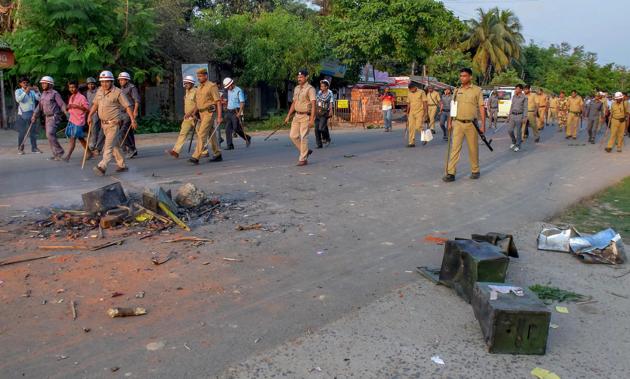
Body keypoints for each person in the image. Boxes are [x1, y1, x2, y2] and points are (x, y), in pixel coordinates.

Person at [88, 71, 137, 176]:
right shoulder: (100, 91)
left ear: (111, 82)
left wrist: (132, 119)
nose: (104, 84)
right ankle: (122, 165)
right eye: (102, 82)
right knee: (114, 145)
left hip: (113, 124)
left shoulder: (118, 92)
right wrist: (89, 115)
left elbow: (127, 106)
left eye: (107, 82)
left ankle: (102, 166)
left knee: (108, 146)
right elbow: (95, 104)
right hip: (103, 124)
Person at [443, 68, 485, 182]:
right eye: (461, 76)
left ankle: (475, 170)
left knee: (473, 149)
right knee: (454, 148)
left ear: (470, 77)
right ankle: (451, 173)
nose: (462, 78)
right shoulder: (456, 90)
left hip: (471, 124)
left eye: (465, 76)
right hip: (458, 123)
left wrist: (483, 125)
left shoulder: (477, 90)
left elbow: (481, 107)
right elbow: (453, 107)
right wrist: (450, 122)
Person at [189, 67, 223, 165]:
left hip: (209, 113)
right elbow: (198, 103)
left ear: (205, 76)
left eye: (200, 76)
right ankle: (217, 154)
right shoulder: (198, 87)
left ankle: (196, 156)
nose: (198, 78)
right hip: (201, 113)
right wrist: (194, 112)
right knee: (210, 134)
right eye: (198, 76)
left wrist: (219, 116)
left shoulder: (212, 86)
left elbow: (218, 102)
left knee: (202, 133)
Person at [168, 75, 205, 158]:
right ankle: (176, 151)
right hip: (187, 117)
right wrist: (187, 114)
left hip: (195, 116)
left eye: (187, 83)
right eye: (185, 83)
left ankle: (204, 151)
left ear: (192, 83)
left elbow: (198, 104)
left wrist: (192, 113)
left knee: (200, 134)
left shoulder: (196, 91)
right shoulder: (187, 91)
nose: (185, 85)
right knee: (182, 133)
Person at [284, 68, 315, 166]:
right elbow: (294, 103)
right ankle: (305, 151)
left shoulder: (310, 89)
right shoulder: (296, 88)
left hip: (306, 116)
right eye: (298, 77)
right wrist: (288, 115)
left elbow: (314, 105)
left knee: (303, 137)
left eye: (301, 77)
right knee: (293, 136)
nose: (299, 78)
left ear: (307, 77)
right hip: (297, 116)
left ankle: (303, 159)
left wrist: (312, 119)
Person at [32, 76, 66, 160]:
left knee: (49, 133)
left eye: (45, 83)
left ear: (50, 84)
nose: (43, 85)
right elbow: (39, 106)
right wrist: (34, 115)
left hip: (54, 117)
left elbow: (61, 104)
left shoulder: (55, 93)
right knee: (50, 135)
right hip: (47, 118)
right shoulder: (43, 94)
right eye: (42, 83)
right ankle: (56, 154)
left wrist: (66, 112)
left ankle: (59, 151)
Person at [62, 80, 89, 161]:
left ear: (77, 88)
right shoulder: (71, 97)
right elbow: (70, 109)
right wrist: (68, 107)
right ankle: (89, 152)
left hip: (79, 121)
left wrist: (76, 106)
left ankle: (68, 156)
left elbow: (87, 109)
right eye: (70, 87)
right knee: (80, 138)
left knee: (73, 138)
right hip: (72, 120)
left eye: (73, 87)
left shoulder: (82, 97)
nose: (72, 89)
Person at [14, 77, 42, 154]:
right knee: (22, 132)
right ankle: (20, 148)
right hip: (22, 115)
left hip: (32, 114)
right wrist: (25, 92)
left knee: (33, 132)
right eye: (23, 82)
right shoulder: (18, 91)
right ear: (20, 84)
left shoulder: (32, 92)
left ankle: (34, 148)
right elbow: (18, 100)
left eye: (26, 82)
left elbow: (40, 99)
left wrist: (37, 91)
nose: (25, 84)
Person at [222, 77, 251, 150]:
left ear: (231, 84)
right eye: (227, 87)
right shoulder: (228, 90)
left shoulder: (239, 91)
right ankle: (230, 145)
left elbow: (242, 102)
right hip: (229, 111)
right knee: (227, 129)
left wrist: (240, 113)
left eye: (228, 87)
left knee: (236, 128)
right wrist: (226, 106)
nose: (228, 88)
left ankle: (247, 137)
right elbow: (229, 100)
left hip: (236, 111)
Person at [117, 72, 140, 158]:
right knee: (128, 132)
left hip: (129, 113)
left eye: (122, 80)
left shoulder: (132, 88)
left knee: (122, 132)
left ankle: (130, 149)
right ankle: (133, 149)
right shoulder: (121, 89)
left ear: (127, 80)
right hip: (121, 113)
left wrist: (135, 111)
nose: (120, 81)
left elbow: (136, 100)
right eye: (119, 80)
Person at [85, 77, 104, 158]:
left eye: (92, 84)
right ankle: (94, 145)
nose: (91, 85)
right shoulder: (87, 93)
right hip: (92, 113)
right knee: (93, 129)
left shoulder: (99, 90)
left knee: (101, 130)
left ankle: (98, 147)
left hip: (100, 112)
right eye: (89, 84)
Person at [405, 82, 428, 147]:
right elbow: (408, 103)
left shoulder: (421, 92)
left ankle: (425, 137)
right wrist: (407, 112)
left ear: (415, 87)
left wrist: (426, 113)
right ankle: (411, 142)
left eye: (412, 89)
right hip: (411, 112)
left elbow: (425, 102)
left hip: (420, 111)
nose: (411, 91)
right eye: (410, 90)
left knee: (418, 127)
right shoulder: (409, 92)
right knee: (411, 128)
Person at [506, 84, 527, 152]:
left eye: (517, 89)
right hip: (512, 115)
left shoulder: (524, 97)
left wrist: (525, 117)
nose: (516, 90)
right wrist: (509, 115)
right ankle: (513, 141)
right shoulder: (514, 96)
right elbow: (512, 106)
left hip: (519, 116)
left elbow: (525, 108)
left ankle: (518, 145)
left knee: (518, 132)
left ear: (521, 90)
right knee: (510, 130)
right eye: (515, 89)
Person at [314, 79, 334, 148]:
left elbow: (331, 102)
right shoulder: (319, 92)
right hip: (318, 112)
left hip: (325, 112)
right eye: (321, 86)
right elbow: (316, 101)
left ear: (326, 87)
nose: (321, 88)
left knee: (321, 128)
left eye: (322, 86)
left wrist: (331, 111)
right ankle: (319, 144)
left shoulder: (330, 93)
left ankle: (327, 138)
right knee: (316, 129)